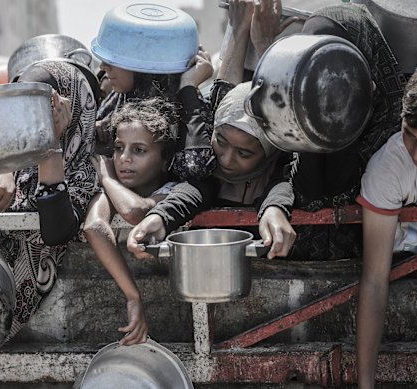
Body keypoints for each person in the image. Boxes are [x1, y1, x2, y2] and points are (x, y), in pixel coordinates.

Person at [0, 59, 97, 338]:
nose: (31, 114)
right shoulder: (3, 162)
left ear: (73, 104)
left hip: (50, 329)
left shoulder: (86, 168)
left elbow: (56, 232)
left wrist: (51, 147)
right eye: (24, 103)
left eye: (42, 103)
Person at [126, 0, 296, 260]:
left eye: (244, 153)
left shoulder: (280, 169)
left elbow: (281, 188)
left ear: (269, 151)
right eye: (220, 141)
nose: (226, 160)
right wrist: (159, 218)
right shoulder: (210, 172)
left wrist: (275, 209)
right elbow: (194, 190)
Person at [242, 1, 407, 260]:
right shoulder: (295, 117)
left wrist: (350, 112)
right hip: (290, 264)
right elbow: (281, 174)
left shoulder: (398, 131)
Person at [355, 61, 417, 389]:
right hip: (403, 266)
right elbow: (374, 280)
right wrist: (365, 384)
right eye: (410, 135)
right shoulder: (388, 166)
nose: (416, 153)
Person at [84, 98, 178, 346]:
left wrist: (107, 178)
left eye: (139, 150)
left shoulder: (173, 190)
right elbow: (94, 226)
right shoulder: (111, 191)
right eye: (118, 148)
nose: (124, 158)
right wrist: (133, 296)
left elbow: (136, 211)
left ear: (165, 160)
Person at [92, 3, 215, 181]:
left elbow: (194, 168)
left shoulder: (190, 108)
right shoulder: (119, 99)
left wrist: (188, 86)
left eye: (115, 59)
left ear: (144, 68)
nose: (103, 66)